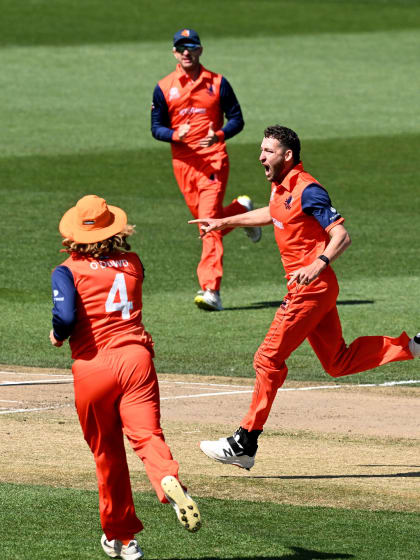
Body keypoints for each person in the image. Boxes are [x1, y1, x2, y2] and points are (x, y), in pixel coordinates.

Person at [190, 125, 420, 470]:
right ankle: (412, 347)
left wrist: (318, 263)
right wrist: (227, 222)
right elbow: (274, 213)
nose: (260, 156)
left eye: (268, 151)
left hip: (310, 288)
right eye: (261, 149)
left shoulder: (308, 190)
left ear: (287, 155)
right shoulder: (280, 186)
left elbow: (341, 234)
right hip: (317, 290)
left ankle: (244, 442)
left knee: (267, 359)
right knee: (337, 362)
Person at [49, 195, 201, 560]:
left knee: (108, 454)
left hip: (94, 366)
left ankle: (123, 538)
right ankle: (167, 479)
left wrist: (57, 333)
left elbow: (66, 318)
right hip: (137, 361)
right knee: (148, 436)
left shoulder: (66, 270)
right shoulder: (134, 263)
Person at [151, 28, 262, 311]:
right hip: (184, 165)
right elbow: (156, 128)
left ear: (200, 50)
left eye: (191, 46)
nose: (186, 51)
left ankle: (211, 289)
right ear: (174, 52)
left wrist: (219, 135)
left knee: (206, 226)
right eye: (180, 47)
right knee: (207, 225)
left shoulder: (218, 83)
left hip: (213, 161)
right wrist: (177, 134)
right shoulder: (164, 86)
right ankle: (240, 212)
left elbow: (237, 119)